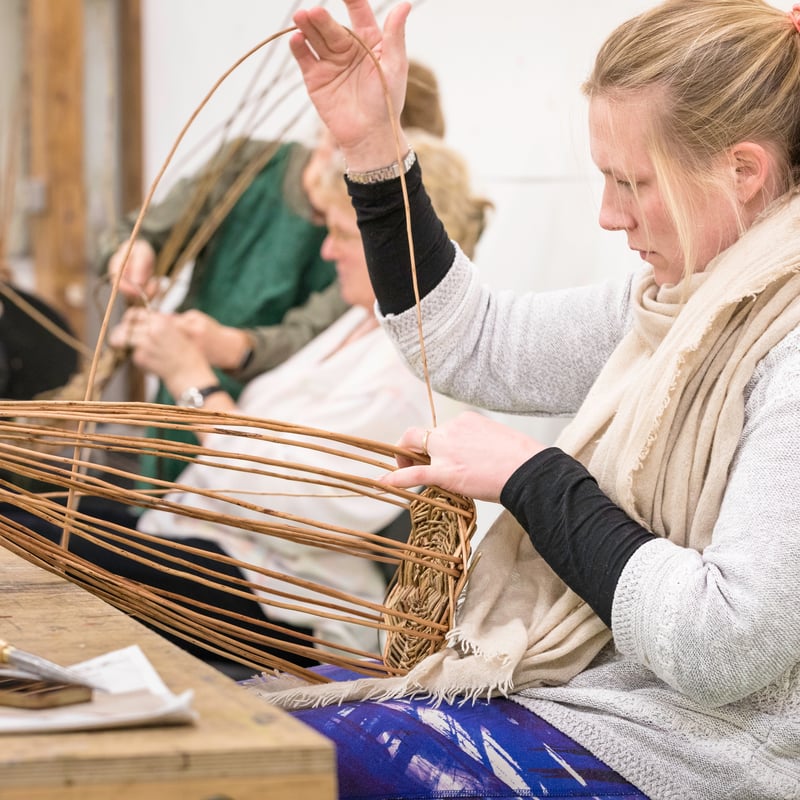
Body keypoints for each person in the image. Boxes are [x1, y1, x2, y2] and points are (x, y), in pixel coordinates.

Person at [262, 1, 800, 798]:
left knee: (283, 750)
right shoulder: (674, 305)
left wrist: (531, 477)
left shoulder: (784, 345)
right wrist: (371, 145)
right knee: (266, 720)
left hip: (717, 758)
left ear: (743, 171)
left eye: (632, 182)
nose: (608, 214)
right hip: (605, 706)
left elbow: (722, 646)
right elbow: (464, 340)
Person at [8, 127, 490, 674]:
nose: (327, 251)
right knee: (20, 509)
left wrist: (195, 382)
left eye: (338, 233)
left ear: (389, 241)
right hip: (209, 540)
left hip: (284, 599)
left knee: (24, 528)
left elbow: (284, 498)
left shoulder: (411, 367)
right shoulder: (360, 325)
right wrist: (211, 345)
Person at [102, 60, 446, 486]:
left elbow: (309, 339)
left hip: (262, 434)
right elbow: (148, 230)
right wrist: (136, 251)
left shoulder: (377, 244)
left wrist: (223, 351)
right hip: (189, 407)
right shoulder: (249, 165)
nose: (329, 246)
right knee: (163, 517)